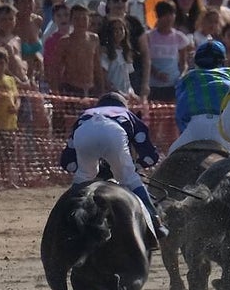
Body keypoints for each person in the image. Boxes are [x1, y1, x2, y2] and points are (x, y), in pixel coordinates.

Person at [59, 91, 166, 246]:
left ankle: (64, 221)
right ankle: (156, 222)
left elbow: (67, 162)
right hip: (114, 132)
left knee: (83, 177)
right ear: (123, 105)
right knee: (130, 179)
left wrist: (85, 170)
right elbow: (150, 156)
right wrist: (135, 167)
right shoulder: (127, 114)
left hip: (84, 132)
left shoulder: (86, 114)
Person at [170, 40, 230, 154]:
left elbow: (180, 113)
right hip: (223, 129)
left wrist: (185, 130)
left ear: (196, 61)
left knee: (171, 154)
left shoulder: (186, 80)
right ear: (224, 62)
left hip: (195, 127)